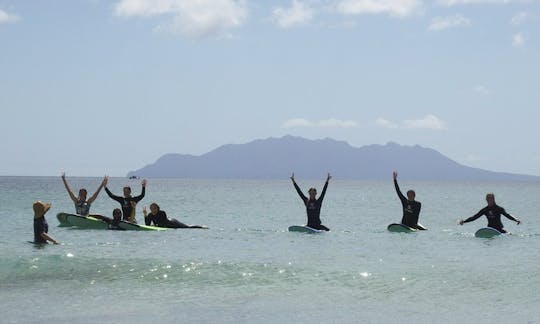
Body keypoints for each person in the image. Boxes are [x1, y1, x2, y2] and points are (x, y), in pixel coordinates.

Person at [143, 203, 207, 229]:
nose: (153, 210)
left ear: (158, 208)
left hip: (173, 222)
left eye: (154, 208)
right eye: (151, 209)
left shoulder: (162, 213)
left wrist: (155, 225)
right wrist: (145, 215)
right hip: (166, 224)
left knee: (187, 227)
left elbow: (162, 223)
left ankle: (201, 227)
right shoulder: (150, 215)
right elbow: (147, 224)